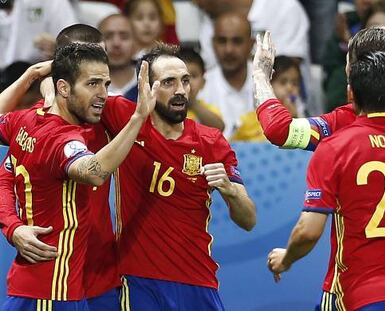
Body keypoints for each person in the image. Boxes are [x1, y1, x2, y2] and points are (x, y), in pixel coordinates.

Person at [253, 28, 385, 310]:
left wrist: (260, 76)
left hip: (357, 288)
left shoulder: (342, 126)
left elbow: (279, 129)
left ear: (352, 77)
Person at [0, 43, 158, 310]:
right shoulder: (61, 139)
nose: (103, 94)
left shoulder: (24, 121)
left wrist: (30, 76)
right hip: (52, 290)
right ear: (63, 88)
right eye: (92, 84)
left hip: (45, 285)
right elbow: (94, 173)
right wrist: (139, 116)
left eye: (106, 84)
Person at [100, 42, 256, 310]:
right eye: (169, 82)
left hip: (199, 280)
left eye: (185, 81)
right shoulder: (126, 118)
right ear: (146, 87)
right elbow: (73, 87)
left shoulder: (211, 141)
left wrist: (229, 189)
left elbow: (249, 220)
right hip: (138, 280)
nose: (181, 90)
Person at [198, 12, 255, 138]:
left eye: (237, 41)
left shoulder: (269, 83)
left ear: (251, 45)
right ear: (213, 44)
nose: (229, 49)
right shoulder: (200, 87)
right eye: (222, 41)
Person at [178, 46, 225, 131]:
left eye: (193, 76)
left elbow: (219, 128)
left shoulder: (206, 109)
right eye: (182, 76)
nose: (188, 81)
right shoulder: (166, 107)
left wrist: (193, 104)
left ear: (203, 83)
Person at [98, 14, 138, 102]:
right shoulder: (87, 87)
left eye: (124, 37)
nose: (116, 43)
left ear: (135, 43)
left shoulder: (151, 82)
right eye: (108, 37)